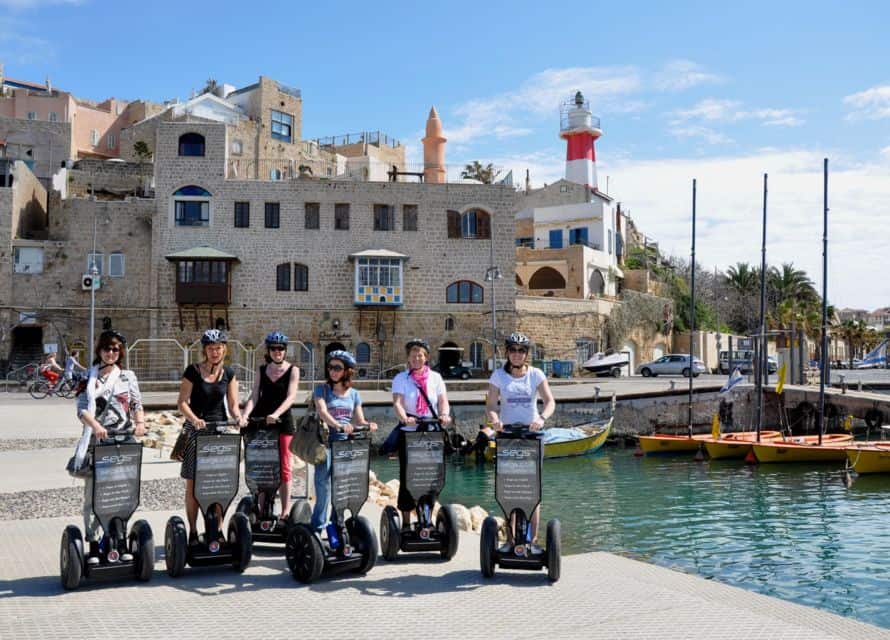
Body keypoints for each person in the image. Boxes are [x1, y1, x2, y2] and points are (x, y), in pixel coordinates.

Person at [74, 330, 145, 565]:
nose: (111, 353)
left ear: (120, 352)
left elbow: (136, 404)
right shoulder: (88, 376)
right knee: (94, 494)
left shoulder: (127, 376)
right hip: (99, 442)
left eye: (115, 349)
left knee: (123, 491)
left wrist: (140, 423)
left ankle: (120, 539)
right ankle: (94, 543)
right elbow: (82, 409)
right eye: (107, 349)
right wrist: (96, 426)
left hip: (123, 440)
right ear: (99, 351)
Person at [485, 332, 555, 551]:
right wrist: (495, 421)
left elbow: (550, 401)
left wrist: (541, 419)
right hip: (507, 436)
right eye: (513, 350)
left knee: (532, 489)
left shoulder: (535, 374)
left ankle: (532, 540)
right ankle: (510, 540)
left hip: (531, 436)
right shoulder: (498, 375)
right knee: (508, 488)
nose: (517, 354)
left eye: (521, 350)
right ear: (507, 353)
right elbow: (491, 405)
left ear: (526, 354)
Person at [177, 329, 244, 544]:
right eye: (211, 348)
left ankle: (218, 530)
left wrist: (239, 418)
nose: (215, 352)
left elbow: (233, 404)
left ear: (224, 349)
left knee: (220, 482)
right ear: (205, 350)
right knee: (193, 483)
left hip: (219, 430)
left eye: (218, 348)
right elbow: (182, 402)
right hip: (196, 431)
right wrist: (194, 419)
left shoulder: (229, 373)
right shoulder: (193, 371)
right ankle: (193, 531)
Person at [310, 350, 377, 532]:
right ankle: (317, 526)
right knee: (323, 486)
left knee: (341, 487)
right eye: (330, 367)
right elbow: (322, 411)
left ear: (347, 371)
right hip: (325, 443)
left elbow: (359, 419)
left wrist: (368, 425)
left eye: (337, 368)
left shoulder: (354, 394)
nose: (333, 371)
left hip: (345, 445)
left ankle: (335, 523)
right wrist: (338, 425)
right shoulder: (322, 390)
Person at [390, 338, 452, 530]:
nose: (416, 358)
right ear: (408, 358)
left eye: (420, 355)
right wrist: (404, 418)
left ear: (426, 358)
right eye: (413, 355)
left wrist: (444, 415)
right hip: (410, 432)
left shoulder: (436, 378)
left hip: (432, 432)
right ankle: (406, 522)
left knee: (431, 476)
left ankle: (427, 517)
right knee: (408, 476)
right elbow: (398, 403)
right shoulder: (401, 378)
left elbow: (443, 401)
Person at [241, 331, 300, 523]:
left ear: (285, 350)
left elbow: (291, 397)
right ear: (268, 351)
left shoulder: (293, 370)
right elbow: (254, 395)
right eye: (273, 348)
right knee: (262, 465)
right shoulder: (262, 370)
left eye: (281, 348)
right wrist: (245, 415)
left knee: (284, 467)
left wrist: (276, 414)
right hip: (261, 422)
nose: (277, 352)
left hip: (282, 424)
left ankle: (285, 510)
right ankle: (261, 509)